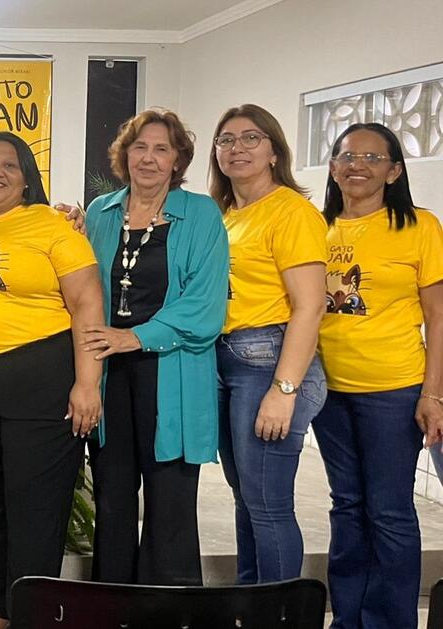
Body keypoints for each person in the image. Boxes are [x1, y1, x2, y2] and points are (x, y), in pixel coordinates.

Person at [0, 132, 103, 629]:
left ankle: (33, 616)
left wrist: (87, 384)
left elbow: (87, 304)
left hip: (42, 376)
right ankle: (0, 608)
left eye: (9, 165)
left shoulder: (53, 225)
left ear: (27, 176)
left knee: (37, 508)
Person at [81, 109, 229, 587]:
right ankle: (111, 607)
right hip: (110, 373)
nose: (148, 158)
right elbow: (82, 288)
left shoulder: (201, 214)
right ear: (124, 155)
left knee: (170, 506)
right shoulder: (100, 212)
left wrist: (135, 336)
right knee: (112, 499)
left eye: (161, 149)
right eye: (139, 147)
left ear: (178, 160)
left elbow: (206, 305)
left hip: (174, 371)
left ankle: (168, 612)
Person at [314, 122, 443, 628]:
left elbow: (437, 316)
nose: (358, 166)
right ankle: (348, 619)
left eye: (372, 158)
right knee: (346, 506)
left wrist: (433, 393)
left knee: (388, 511)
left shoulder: (419, 226)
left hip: (394, 388)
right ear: (332, 167)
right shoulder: (316, 227)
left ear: (393, 171)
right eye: (348, 156)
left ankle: (389, 622)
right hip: (328, 391)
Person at [209, 103, 327, 584]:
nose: (237, 148)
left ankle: (280, 612)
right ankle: (249, 603)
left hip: (268, 360)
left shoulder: (291, 212)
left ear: (274, 151)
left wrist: (284, 389)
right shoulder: (226, 215)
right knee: (247, 499)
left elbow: (310, 307)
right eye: (226, 140)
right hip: (225, 358)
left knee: (268, 504)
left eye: (251, 138)